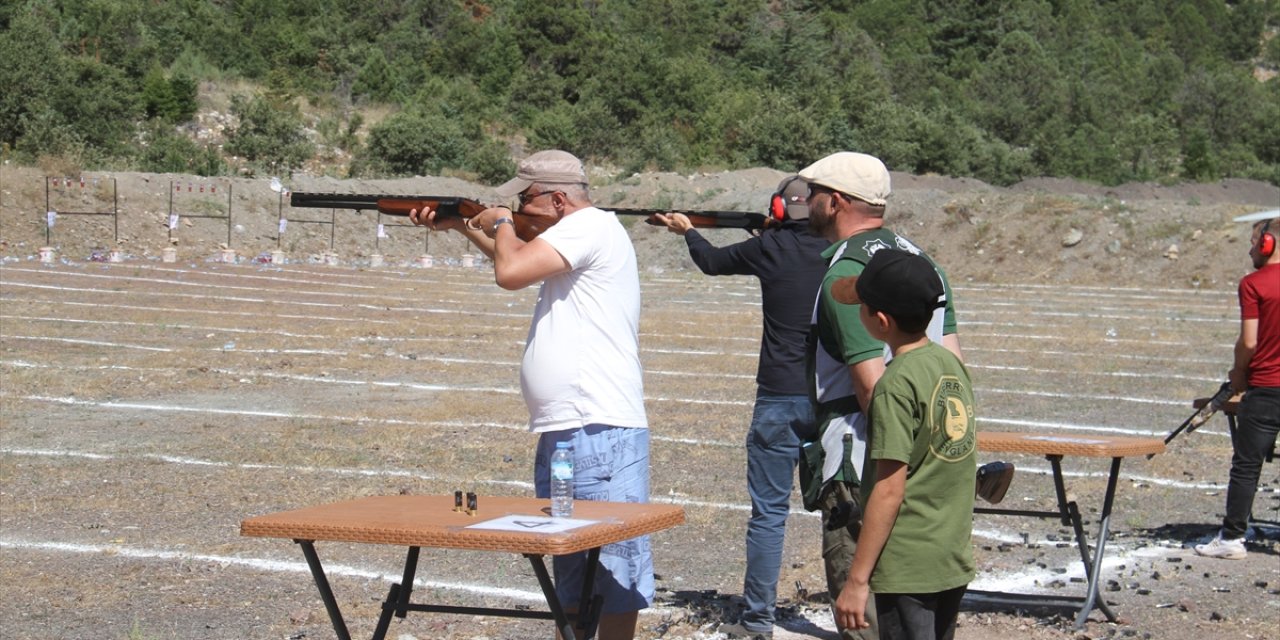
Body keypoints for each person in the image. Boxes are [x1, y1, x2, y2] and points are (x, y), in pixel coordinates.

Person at [409, 150, 652, 640]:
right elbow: (514, 259)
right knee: (572, 566)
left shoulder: (589, 228)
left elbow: (510, 271)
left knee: (613, 568)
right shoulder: (576, 232)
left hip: (595, 426)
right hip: (570, 426)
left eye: (524, 199)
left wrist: (498, 220)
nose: (517, 207)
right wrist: (462, 226)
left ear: (558, 199)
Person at [651, 176, 828, 640]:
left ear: (778, 207)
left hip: (777, 396)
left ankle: (757, 622)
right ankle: (858, 615)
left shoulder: (769, 248)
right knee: (843, 508)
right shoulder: (840, 251)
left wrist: (687, 230)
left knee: (769, 514)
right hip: (832, 396)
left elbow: (709, 261)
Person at [799, 152, 963, 640]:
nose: (807, 202)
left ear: (838, 201)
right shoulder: (923, 261)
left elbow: (873, 387)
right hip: (926, 462)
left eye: (814, 194)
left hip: (868, 467)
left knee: (869, 620)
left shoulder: (848, 275)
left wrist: (895, 471)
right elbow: (952, 372)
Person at [827, 248, 977, 639]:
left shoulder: (893, 386)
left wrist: (857, 581)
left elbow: (890, 488)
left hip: (908, 566)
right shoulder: (950, 365)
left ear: (880, 321)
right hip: (948, 556)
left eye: (861, 305)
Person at [1195, 215, 1280, 560]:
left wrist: (1238, 371)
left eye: (1252, 241)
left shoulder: (1254, 283)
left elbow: (1249, 341)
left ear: (1267, 244)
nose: (1249, 249)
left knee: (1247, 465)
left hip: (1266, 388)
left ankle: (1231, 539)